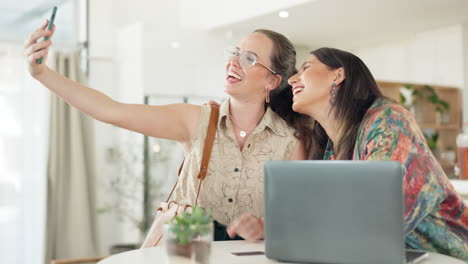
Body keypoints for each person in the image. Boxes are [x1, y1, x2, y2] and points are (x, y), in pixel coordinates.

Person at [24, 20, 312, 242]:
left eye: (249, 59)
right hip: (183, 254)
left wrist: (263, 226)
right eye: (235, 53)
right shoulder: (196, 120)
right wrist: (43, 74)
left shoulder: (290, 143)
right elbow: (111, 111)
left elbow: (298, 219)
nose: (234, 62)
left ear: (272, 81)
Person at [288, 47, 468, 260]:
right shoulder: (329, 148)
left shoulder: (388, 120)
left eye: (306, 67)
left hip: (448, 258)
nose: (292, 80)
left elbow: (376, 215)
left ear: (337, 75)